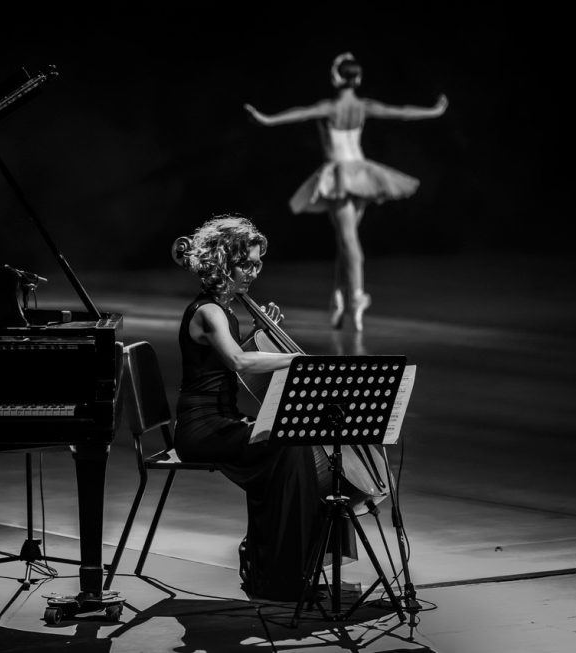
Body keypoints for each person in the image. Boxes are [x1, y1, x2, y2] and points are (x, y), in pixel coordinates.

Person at [174, 214, 354, 601]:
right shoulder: (208, 311)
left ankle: (280, 565)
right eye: (246, 264)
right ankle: (279, 574)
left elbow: (226, 360)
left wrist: (259, 334)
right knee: (290, 448)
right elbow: (238, 362)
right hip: (202, 428)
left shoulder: (224, 311)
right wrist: (298, 361)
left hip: (221, 420)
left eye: (257, 264)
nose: (254, 273)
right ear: (222, 262)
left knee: (297, 440)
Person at [244, 52, 448, 331]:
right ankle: (340, 296)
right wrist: (434, 111)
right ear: (358, 79)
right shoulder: (363, 106)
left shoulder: (329, 107)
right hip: (362, 174)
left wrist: (266, 119)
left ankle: (356, 297)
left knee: (349, 241)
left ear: (335, 78)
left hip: (340, 175)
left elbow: (300, 113)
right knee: (346, 241)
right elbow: (400, 112)